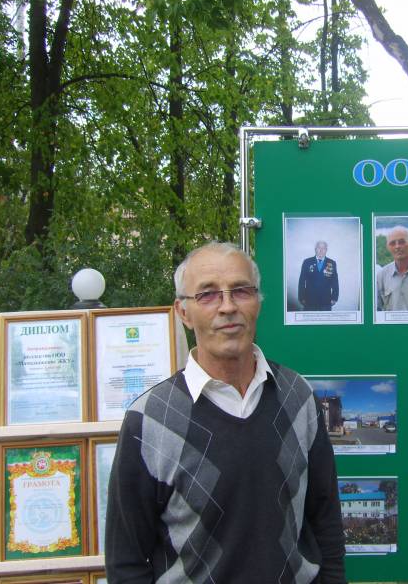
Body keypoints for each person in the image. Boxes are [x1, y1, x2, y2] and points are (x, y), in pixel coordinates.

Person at [106, 242, 346, 583]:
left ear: (258, 303)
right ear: (183, 312)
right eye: (207, 294)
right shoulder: (149, 420)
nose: (228, 306)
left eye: (241, 291)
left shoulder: (298, 397)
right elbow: (126, 561)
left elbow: (326, 523)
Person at [298, 240, 339, 311]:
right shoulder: (307, 262)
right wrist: (301, 297)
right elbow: (302, 281)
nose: (321, 250)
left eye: (323, 248)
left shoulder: (332, 263)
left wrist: (334, 298)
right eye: (319, 248)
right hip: (309, 300)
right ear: (315, 249)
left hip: (326, 301)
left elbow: (335, 281)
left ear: (326, 250)